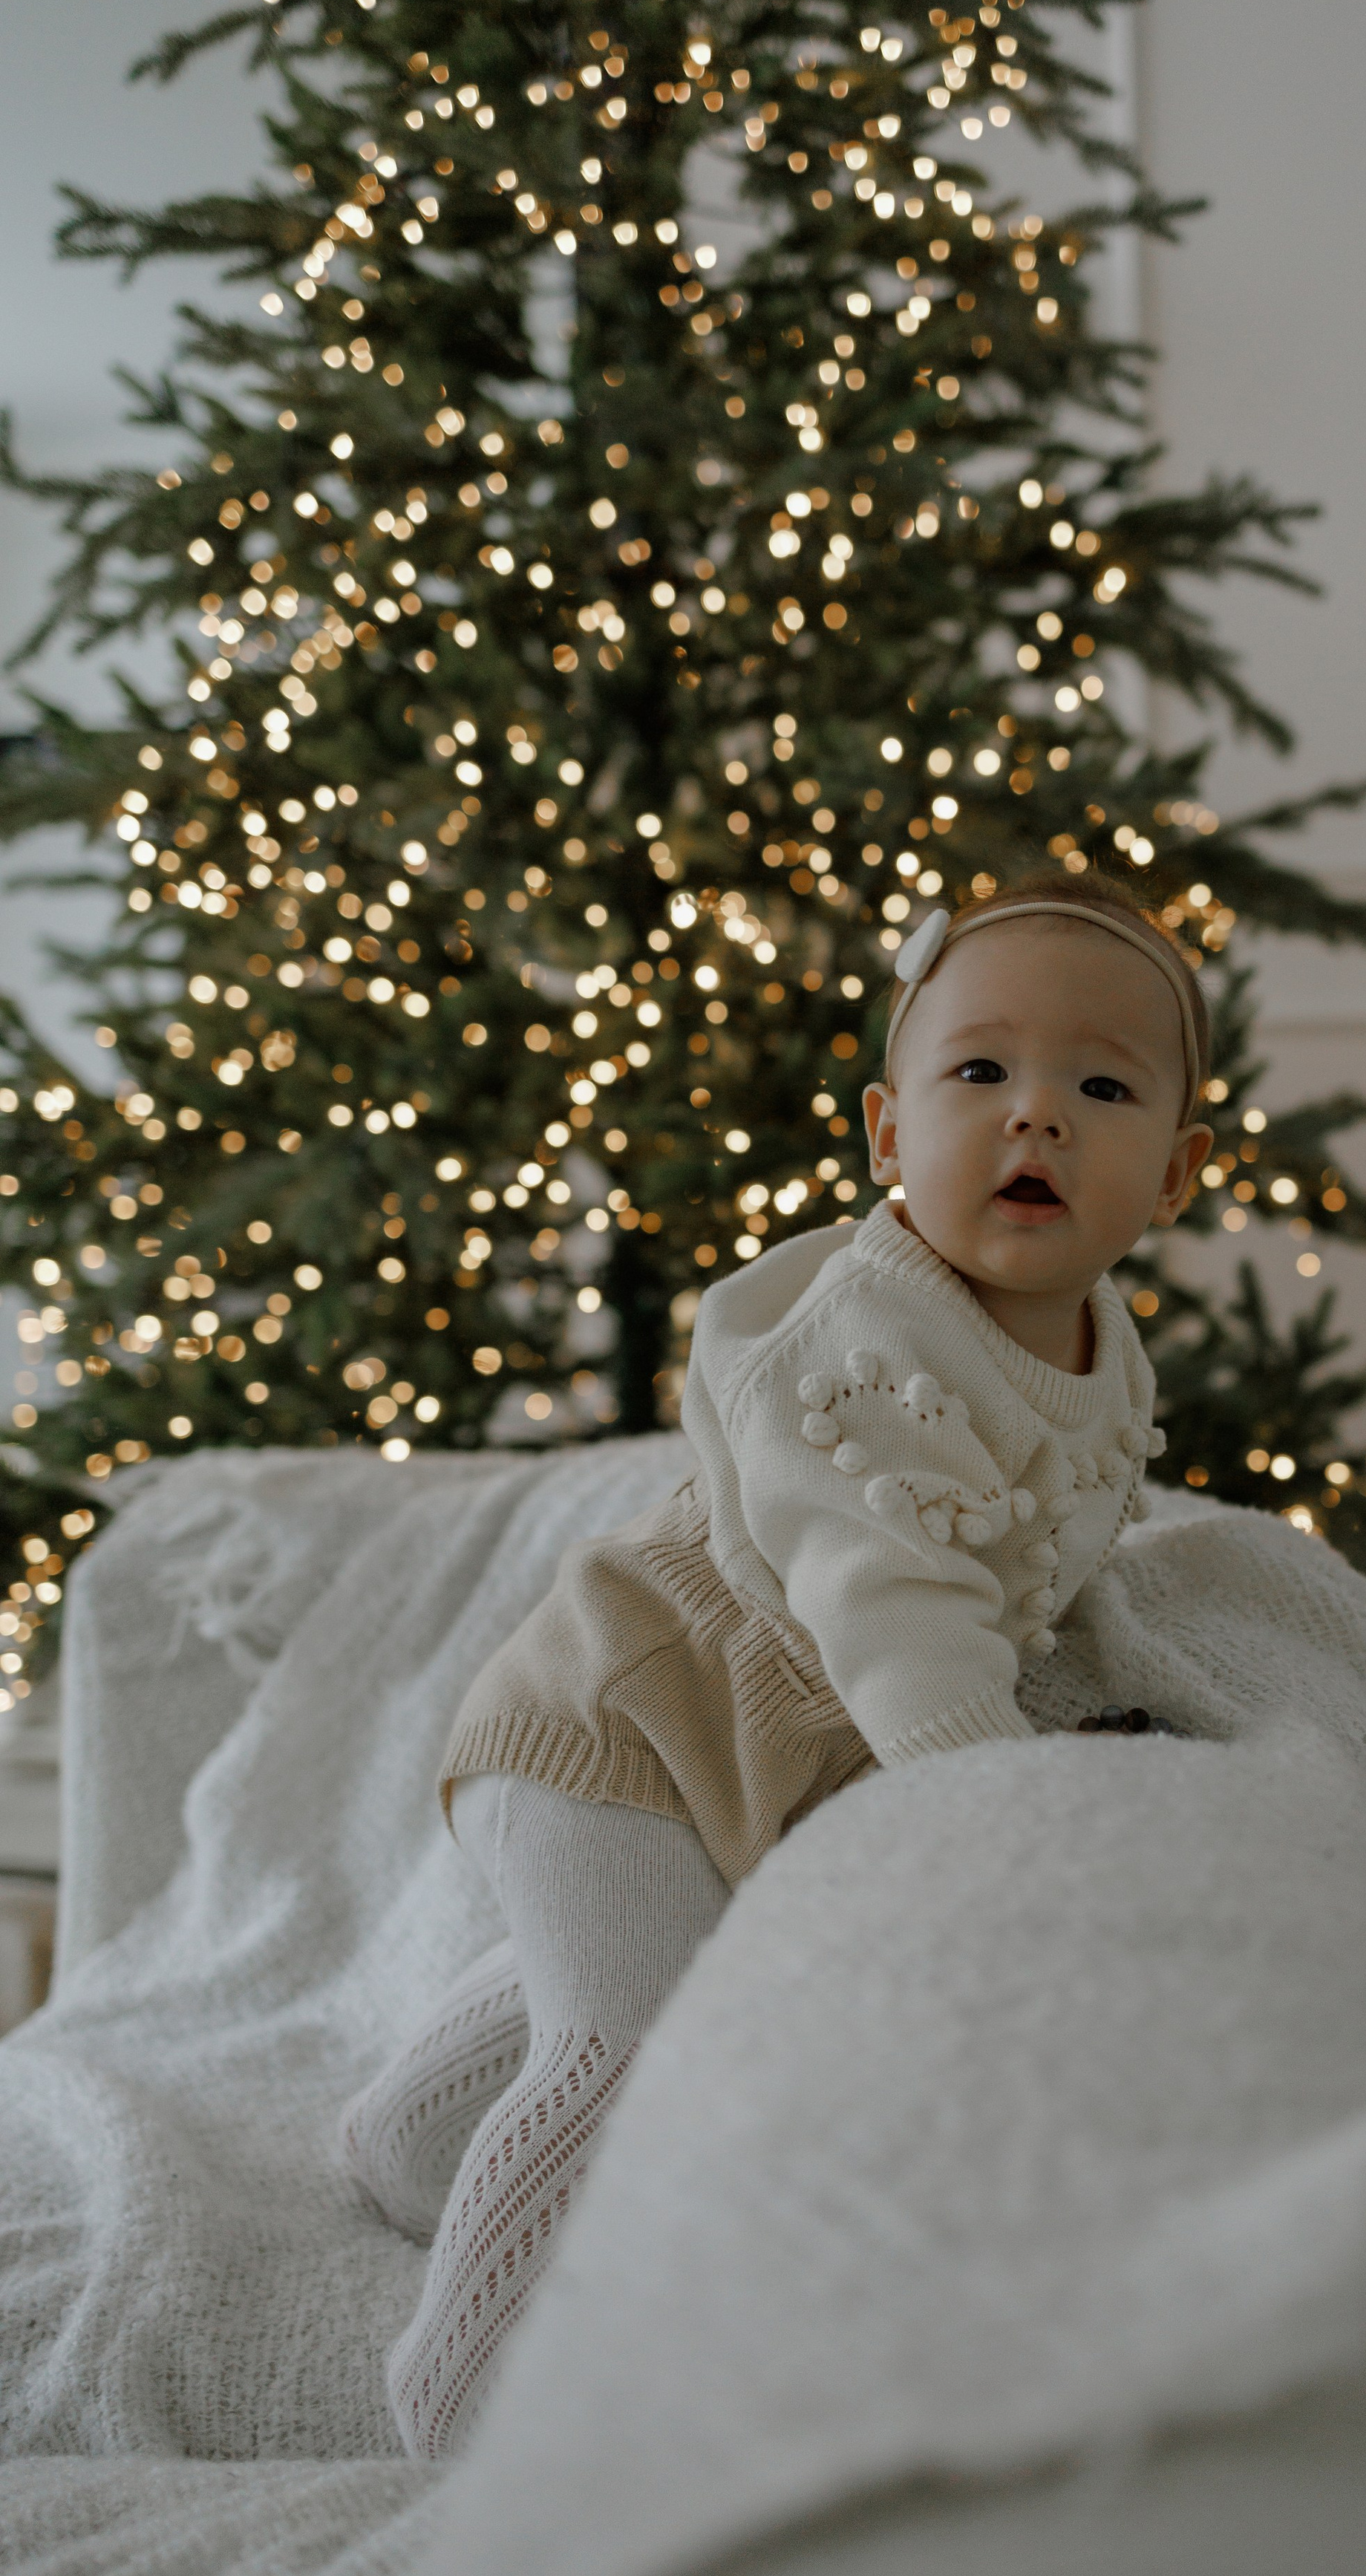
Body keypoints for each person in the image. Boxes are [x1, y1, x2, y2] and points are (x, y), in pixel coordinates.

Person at [341, 873, 1216, 2459]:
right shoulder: (862, 1343)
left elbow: (1030, 1560)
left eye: (1099, 1086)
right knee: (626, 2045)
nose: (1037, 1121)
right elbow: (897, 1617)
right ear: (886, 1137)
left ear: (1177, 1167)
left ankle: (404, 2147)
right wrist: (1007, 1809)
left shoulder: (1100, 1349)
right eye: (980, 1075)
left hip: (731, 1766)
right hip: (616, 1728)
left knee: (597, 1976)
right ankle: (462, 2412)